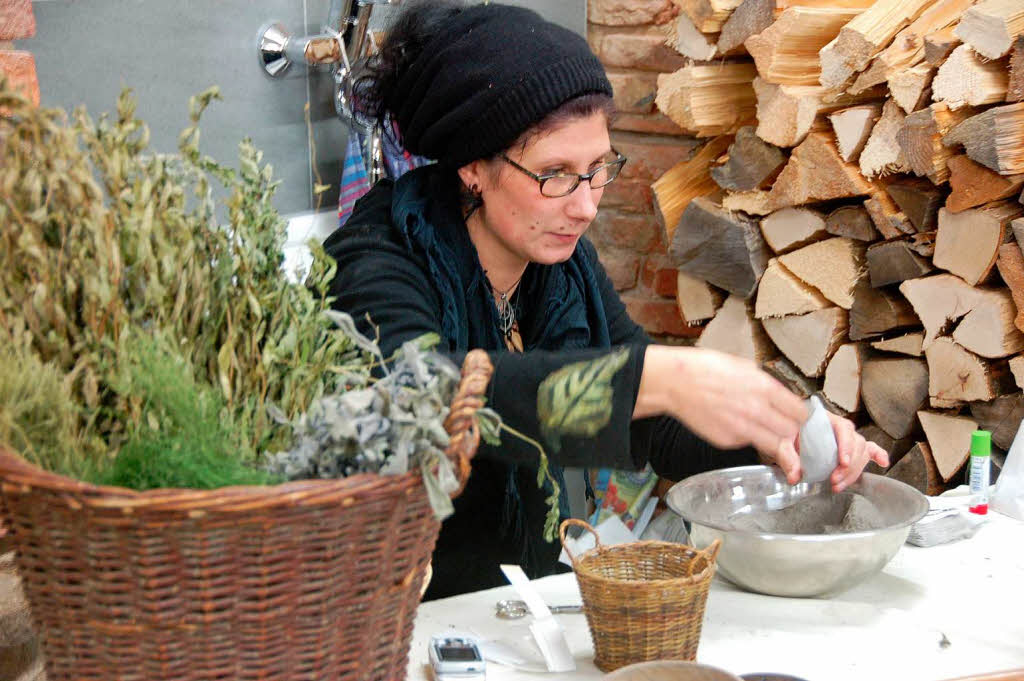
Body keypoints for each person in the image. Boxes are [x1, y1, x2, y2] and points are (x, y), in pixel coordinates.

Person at [322, 0, 888, 600]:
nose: (587, 206)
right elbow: (424, 396)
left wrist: (778, 435)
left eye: (598, 168)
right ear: (473, 169)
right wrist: (657, 378)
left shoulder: (558, 268)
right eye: (555, 174)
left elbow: (654, 423)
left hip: (515, 604)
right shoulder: (375, 258)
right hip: (395, 616)